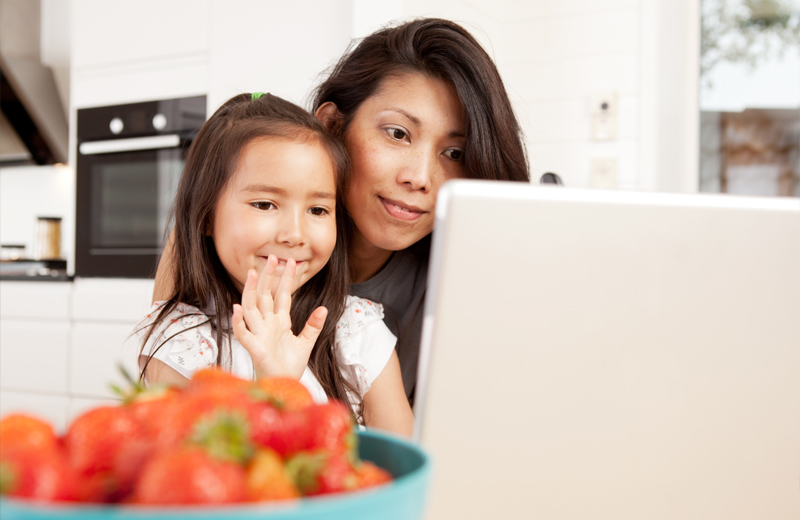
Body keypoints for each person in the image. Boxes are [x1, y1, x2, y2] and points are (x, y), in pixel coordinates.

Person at [153, 18, 530, 406]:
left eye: (455, 153)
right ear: (332, 125)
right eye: (398, 133)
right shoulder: (217, 244)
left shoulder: (467, 277)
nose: (420, 178)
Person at [136, 92, 413, 437]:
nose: (294, 235)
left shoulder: (356, 331)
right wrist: (276, 386)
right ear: (205, 216)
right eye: (265, 205)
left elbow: (404, 468)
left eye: (317, 210)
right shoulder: (181, 344)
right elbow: (193, 477)